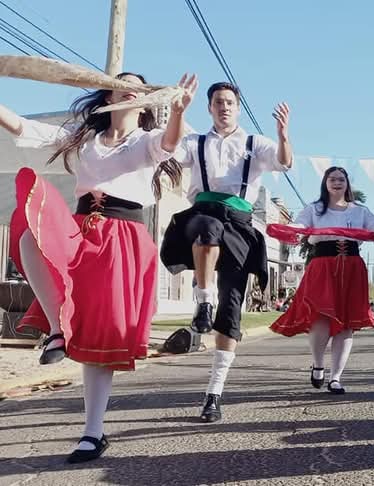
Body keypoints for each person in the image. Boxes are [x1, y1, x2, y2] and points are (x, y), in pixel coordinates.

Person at [4, 72, 196, 462]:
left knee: (99, 342)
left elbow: (170, 142)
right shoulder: (83, 138)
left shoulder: (145, 141)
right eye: (120, 81)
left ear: (143, 103)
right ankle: (57, 332)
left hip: (122, 236)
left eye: (138, 87)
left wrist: (176, 112)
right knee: (28, 234)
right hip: (79, 228)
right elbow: (24, 127)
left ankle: (93, 433)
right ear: (107, 92)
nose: (128, 87)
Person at [159, 82, 292, 423]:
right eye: (218, 102)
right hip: (202, 213)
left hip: (240, 222)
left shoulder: (255, 143)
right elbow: (168, 148)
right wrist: (177, 112)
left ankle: (213, 394)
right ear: (210, 108)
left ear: (238, 107)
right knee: (207, 229)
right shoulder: (196, 142)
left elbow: (284, 162)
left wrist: (282, 133)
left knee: (231, 310)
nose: (224, 107)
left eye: (230, 102)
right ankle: (204, 299)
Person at [267, 167, 374, 394]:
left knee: (346, 323)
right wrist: (285, 228)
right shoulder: (314, 209)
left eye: (341, 179)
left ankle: (336, 378)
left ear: (347, 184)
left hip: (352, 267)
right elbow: (300, 227)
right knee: (320, 318)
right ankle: (318, 364)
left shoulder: (360, 210)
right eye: (332, 179)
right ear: (325, 183)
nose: (337, 182)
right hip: (322, 265)